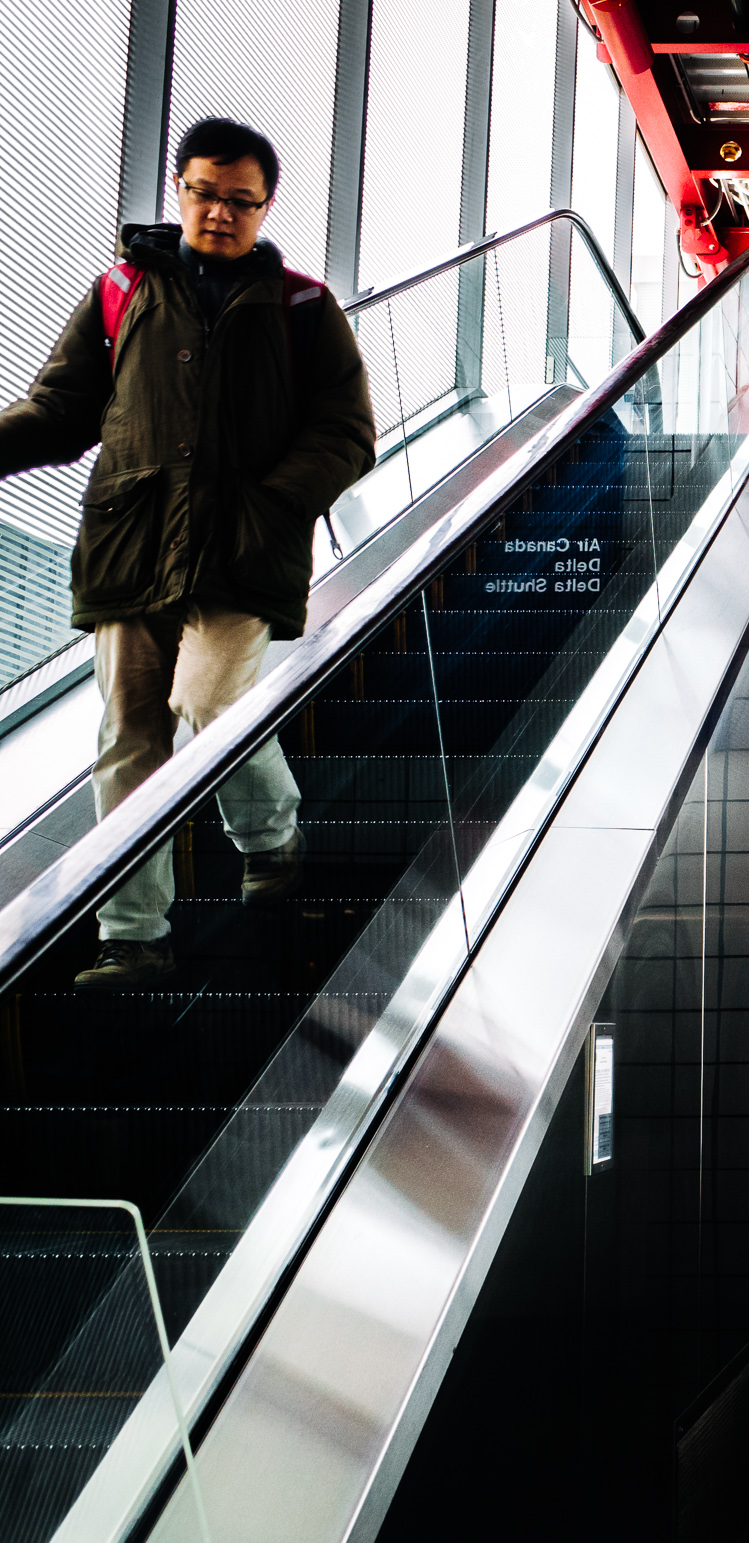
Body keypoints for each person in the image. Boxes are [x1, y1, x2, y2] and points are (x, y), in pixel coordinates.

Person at [0, 117, 376, 990]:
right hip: (133, 548)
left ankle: (272, 838)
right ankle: (133, 937)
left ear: (266, 207)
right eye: (205, 193)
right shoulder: (119, 292)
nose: (219, 213)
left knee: (211, 704)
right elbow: (59, 410)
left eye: (241, 200)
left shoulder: (302, 306)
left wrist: (271, 504)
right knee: (129, 736)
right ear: (179, 189)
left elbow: (347, 430)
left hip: (243, 554)